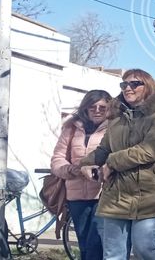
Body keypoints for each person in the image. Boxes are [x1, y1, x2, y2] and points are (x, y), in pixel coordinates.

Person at [78, 69, 155, 260]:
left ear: (147, 87)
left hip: (150, 195)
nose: (128, 88)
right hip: (116, 195)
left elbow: (151, 149)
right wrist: (86, 164)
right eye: (124, 84)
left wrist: (112, 163)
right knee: (113, 254)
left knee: (145, 249)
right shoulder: (115, 118)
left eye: (134, 84)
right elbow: (103, 149)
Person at [50, 89, 112, 260]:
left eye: (102, 107)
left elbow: (117, 156)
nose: (97, 110)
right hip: (76, 196)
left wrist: (101, 170)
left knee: (96, 244)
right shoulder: (71, 128)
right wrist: (75, 170)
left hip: (103, 194)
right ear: (85, 108)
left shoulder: (115, 128)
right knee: (84, 244)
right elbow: (57, 159)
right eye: (93, 107)